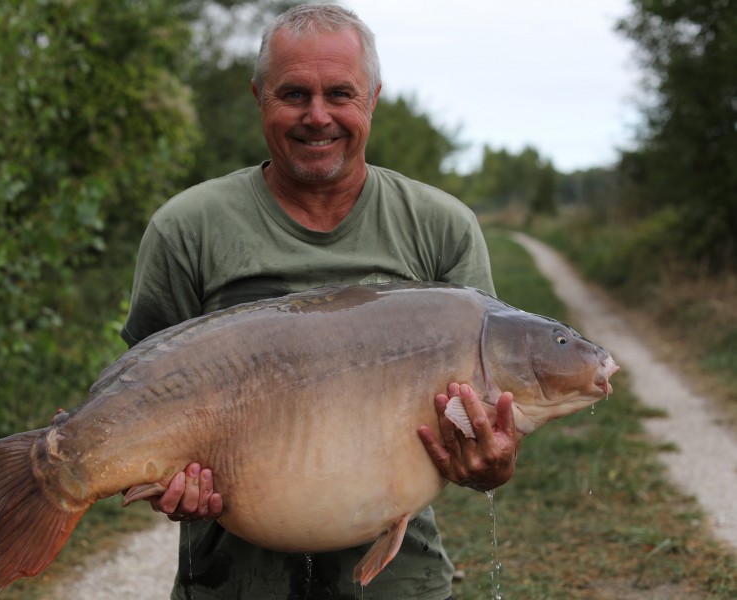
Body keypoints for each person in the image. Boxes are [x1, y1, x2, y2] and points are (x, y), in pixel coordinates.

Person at [120, 4, 519, 599]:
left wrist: (494, 462)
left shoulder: (442, 228)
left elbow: (484, 420)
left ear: (373, 98)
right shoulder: (188, 228)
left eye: (340, 93)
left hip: (397, 576)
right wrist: (167, 483)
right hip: (229, 580)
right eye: (293, 94)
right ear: (259, 96)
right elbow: (145, 395)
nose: (317, 116)